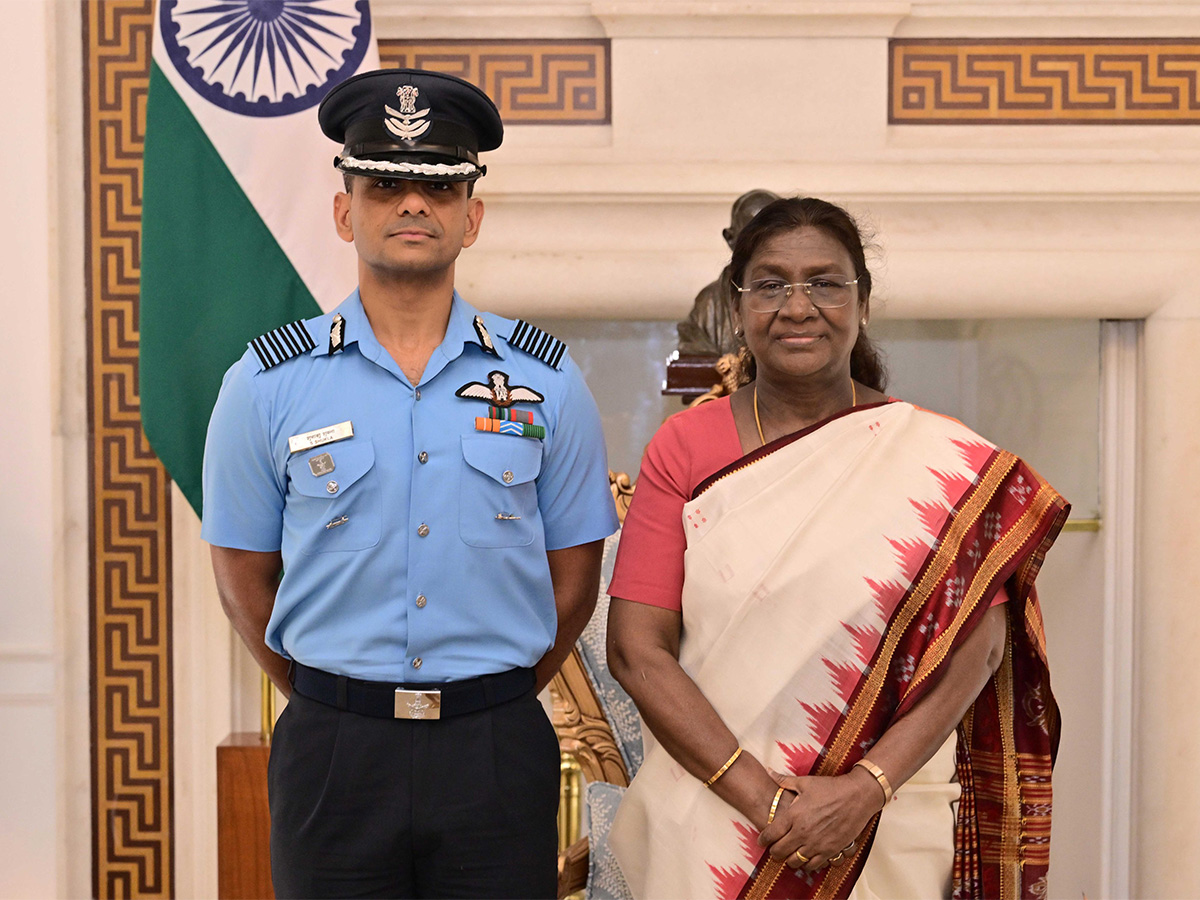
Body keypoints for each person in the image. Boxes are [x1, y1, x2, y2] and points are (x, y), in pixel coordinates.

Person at [201, 68, 618, 899]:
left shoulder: (547, 380)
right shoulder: (265, 382)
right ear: (343, 210)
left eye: (437, 188)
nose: (412, 206)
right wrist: (328, 693)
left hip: (495, 748)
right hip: (334, 749)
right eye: (385, 185)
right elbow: (244, 575)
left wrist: (496, 696)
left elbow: (575, 575)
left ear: (473, 216)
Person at [605, 197, 1066, 899]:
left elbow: (982, 648)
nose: (798, 306)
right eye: (771, 284)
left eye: (825, 283)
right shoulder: (685, 448)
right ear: (739, 304)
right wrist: (765, 800)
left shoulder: (939, 463)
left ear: (863, 303)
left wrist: (863, 789)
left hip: (884, 823)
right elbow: (637, 650)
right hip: (713, 821)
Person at [676, 189, 780, 357]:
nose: (765, 247)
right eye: (752, 237)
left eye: (774, 235)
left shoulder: (806, 299)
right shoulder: (709, 303)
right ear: (730, 238)